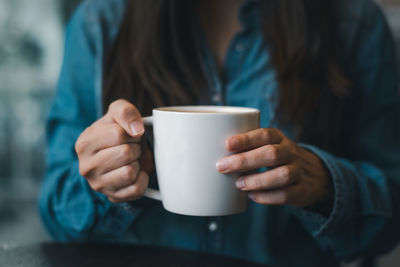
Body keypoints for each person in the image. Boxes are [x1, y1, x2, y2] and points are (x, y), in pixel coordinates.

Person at [39, 0, 400, 266]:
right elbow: (57, 214)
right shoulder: (100, 22)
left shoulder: (352, 22)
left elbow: (392, 215)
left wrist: (325, 186)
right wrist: (110, 181)